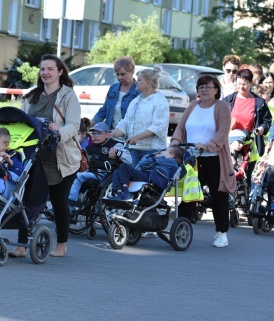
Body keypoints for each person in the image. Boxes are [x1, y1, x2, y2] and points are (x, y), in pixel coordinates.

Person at [9, 54, 81, 259]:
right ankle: (22, 245)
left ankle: (61, 244)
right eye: (42, 69)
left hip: (61, 157)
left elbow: (74, 125)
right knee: (28, 200)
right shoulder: (31, 96)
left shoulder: (68, 96)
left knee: (59, 202)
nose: (45, 73)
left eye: (50, 69)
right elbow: (21, 122)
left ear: (60, 72)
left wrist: (58, 133)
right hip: (35, 156)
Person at [171, 75, 234, 247]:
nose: (204, 90)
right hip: (192, 159)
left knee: (218, 196)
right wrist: (175, 143)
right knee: (189, 195)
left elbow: (222, 132)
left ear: (216, 90)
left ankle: (222, 233)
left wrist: (207, 146)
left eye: (208, 87)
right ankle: (180, 228)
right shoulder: (193, 106)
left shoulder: (221, 107)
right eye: (201, 87)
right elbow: (180, 128)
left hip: (214, 159)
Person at [109, 67, 170, 168]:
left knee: (144, 181)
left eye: (139, 80)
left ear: (148, 83)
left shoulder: (160, 101)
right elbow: (126, 122)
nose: (136, 82)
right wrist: (113, 133)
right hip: (135, 150)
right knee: (134, 180)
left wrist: (137, 137)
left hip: (153, 150)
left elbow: (158, 126)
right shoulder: (136, 101)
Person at [223, 68, 272, 191]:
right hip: (230, 144)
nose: (241, 87)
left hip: (250, 146)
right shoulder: (228, 100)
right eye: (238, 83)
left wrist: (261, 129)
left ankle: (244, 205)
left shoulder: (259, 102)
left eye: (244, 84)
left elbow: (267, 121)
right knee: (228, 175)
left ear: (251, 83)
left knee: (246, 179)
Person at [68, 122, 131, 203]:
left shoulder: (115, 145)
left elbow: (129, 161)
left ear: (107, 134)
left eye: (98, 133)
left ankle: (70, 205)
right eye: (93, 133)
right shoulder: (89, 148)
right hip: (91, 173)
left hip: (107, 175)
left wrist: (117, 152)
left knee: (78, 176)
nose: (95, 136)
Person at [109, 146, 183, 200]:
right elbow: (141, 164)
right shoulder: (159, 159)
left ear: (170, 155)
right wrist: (152, 157)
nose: (162, 152)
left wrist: (157, 157)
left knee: (124, 166)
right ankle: (119, 193)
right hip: (147, 175)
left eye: (165, 151)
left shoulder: (172, 164)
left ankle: (125, 193)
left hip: (153, 179)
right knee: (117, 171)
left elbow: (162, 162)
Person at [91, 56, 140, 130]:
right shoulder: (113, 88)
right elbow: (104, 110)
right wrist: (89, 125)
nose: (119, 77)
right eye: (117, 74)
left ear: (132, 72)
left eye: (123, 74)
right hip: (111, 135)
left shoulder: (139, 91)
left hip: (130, 137)